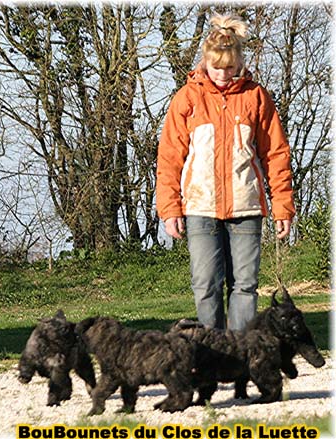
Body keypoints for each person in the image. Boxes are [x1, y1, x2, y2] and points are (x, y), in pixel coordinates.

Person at [156, 13, 295, 331]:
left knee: (244, 287)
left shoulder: (256, 97)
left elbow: (276, 154)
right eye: (216, 67)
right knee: (205, 285)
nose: (222, 74)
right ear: (205, 61)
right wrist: (169, 209)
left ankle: (242, 358)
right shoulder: (187, 99)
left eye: (229, 68)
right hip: (199, 208)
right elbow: (169, 159)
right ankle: (211, 355)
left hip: (246, 208)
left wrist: (283, 206)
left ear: (239, 63)